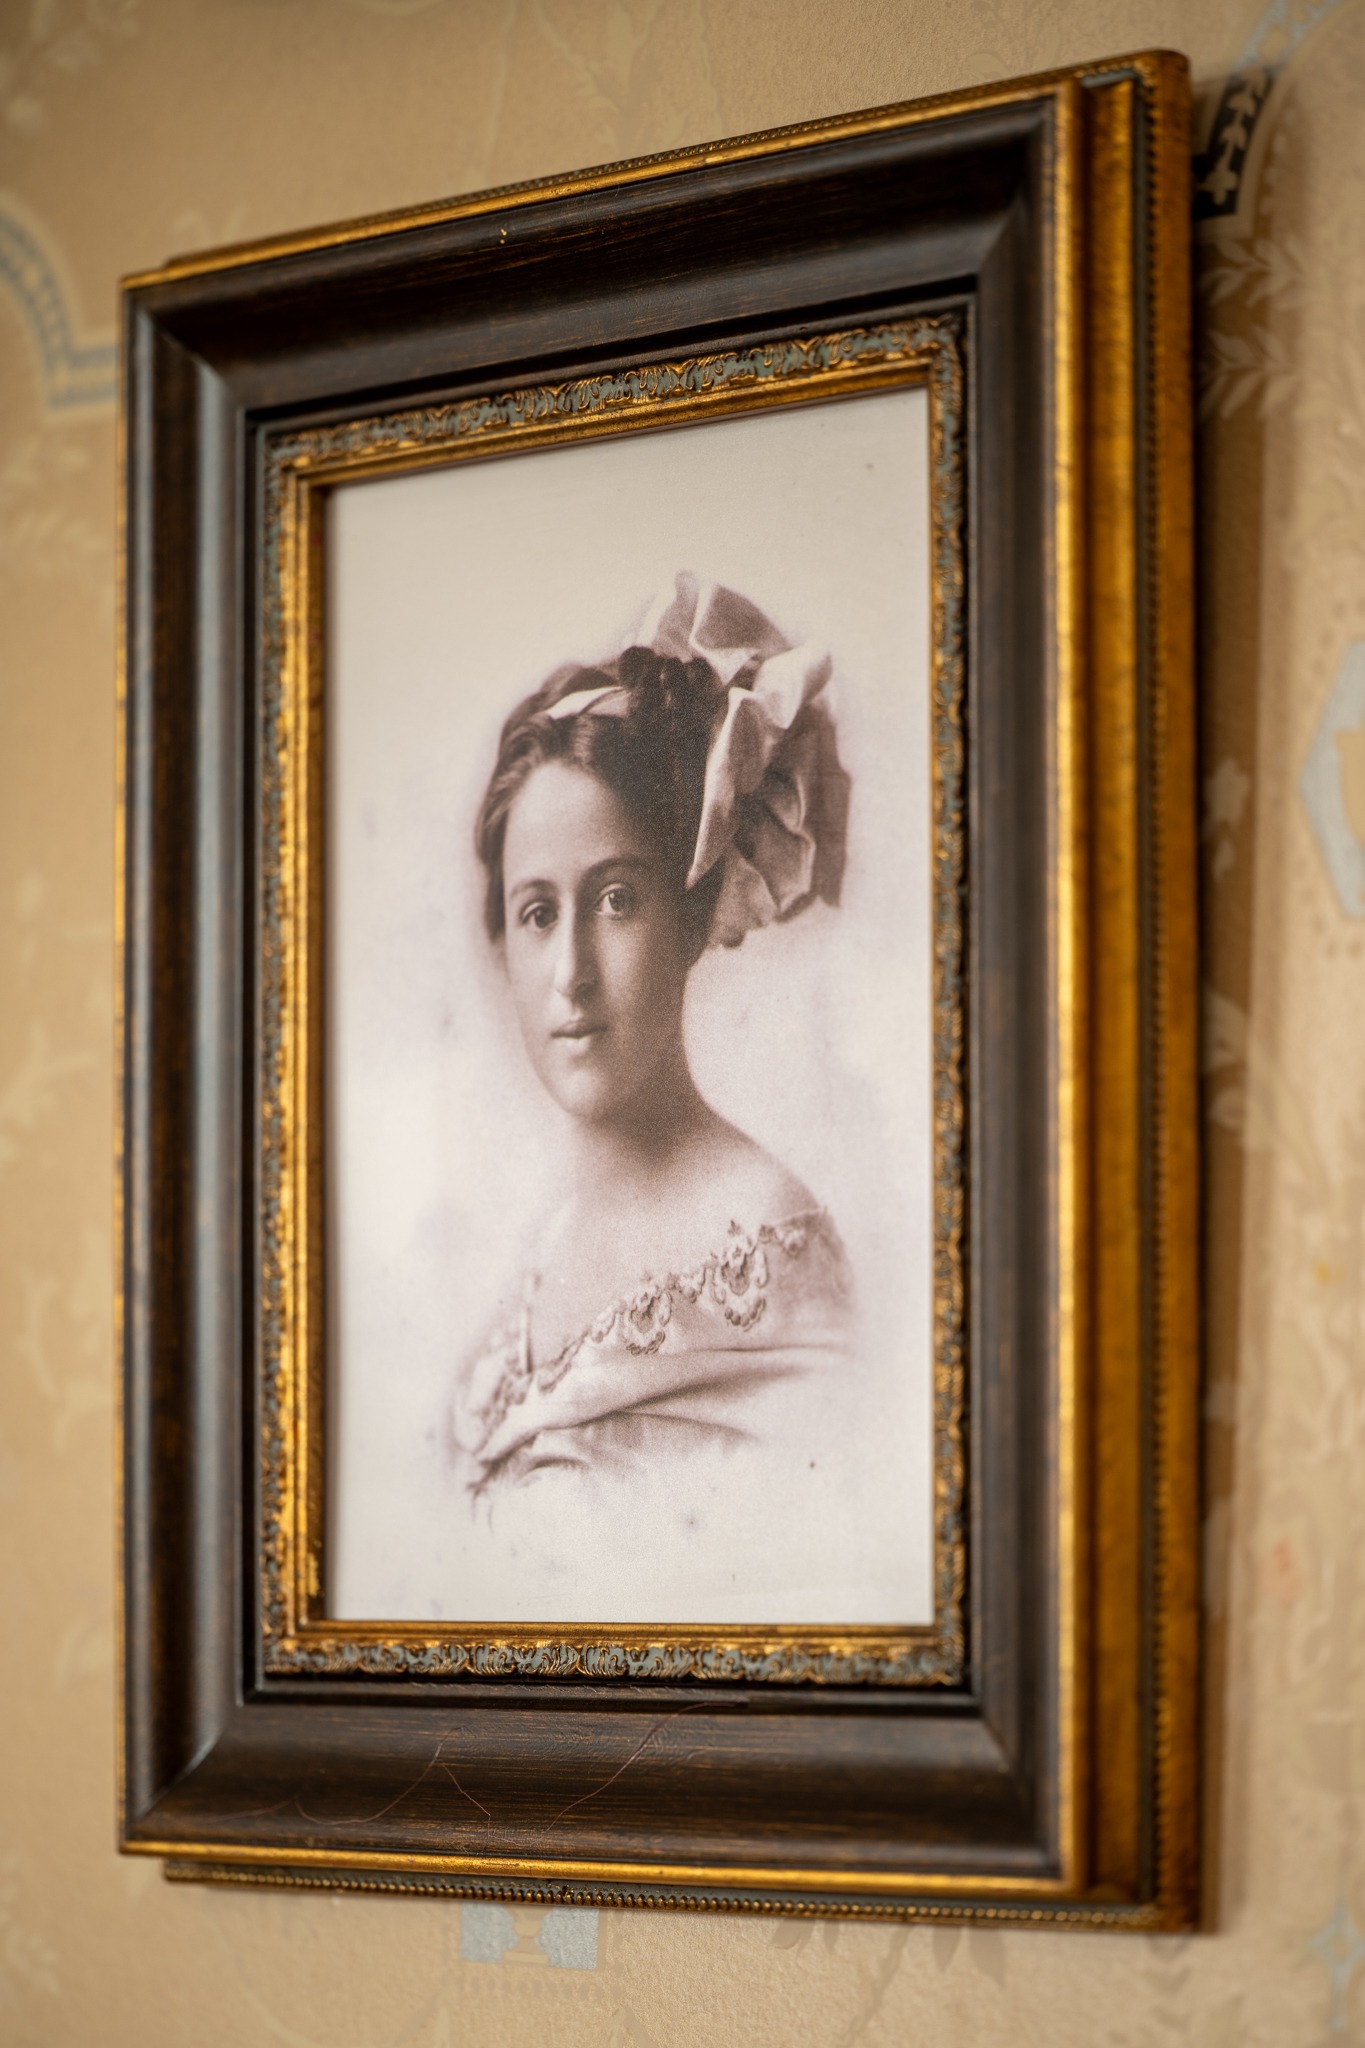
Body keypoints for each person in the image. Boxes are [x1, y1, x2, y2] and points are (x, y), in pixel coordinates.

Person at [450, 572, 863, 1614]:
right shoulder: (536, 1257)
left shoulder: (772, 1240)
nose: (572, 973)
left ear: (692, 911)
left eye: (618, 899)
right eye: (538, 913)